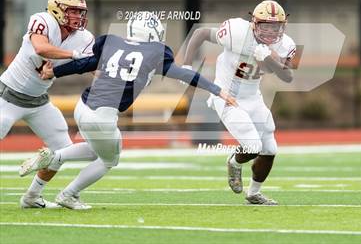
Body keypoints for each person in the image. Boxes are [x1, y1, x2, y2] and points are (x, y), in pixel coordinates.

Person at [19, 12, 237, 209]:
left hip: (83, 106)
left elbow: (84, 64)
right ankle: (69, 194)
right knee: (109, 159)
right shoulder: (156, 52)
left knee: (96, 150)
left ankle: (52, 159)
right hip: (102, 115)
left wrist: (55, 73)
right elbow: (186, 75)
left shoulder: (113, 42)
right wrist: (217, 90)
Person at [182, 0, 296, 205]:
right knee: (252, 146)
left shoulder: (286, 44)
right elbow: (200, 34)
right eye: (265, 26)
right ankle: (234, 162)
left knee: (269, 148)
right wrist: (187, 66)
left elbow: (288, 77)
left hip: (253, 97)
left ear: (283, 26)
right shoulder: (236, 31)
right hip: (226, 96)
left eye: (275, 27)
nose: (271, 32)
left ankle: (253, 194)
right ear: (254, 23)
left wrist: (268, 59)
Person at [0, 0, 94, 208]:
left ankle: (32, 197)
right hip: (7, 97)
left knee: (62, 148)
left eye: (80, 12)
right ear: (57, 9)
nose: (78, 17)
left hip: (38, 101)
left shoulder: (84, 38)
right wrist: (73, 55)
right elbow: (42, 48)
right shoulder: (42, 20)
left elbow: (93, 66)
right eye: (73, 11)